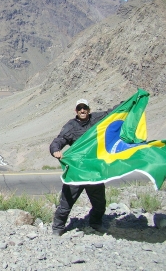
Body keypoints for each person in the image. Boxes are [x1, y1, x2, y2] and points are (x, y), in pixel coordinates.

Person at [49, 98, 116, 236]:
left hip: (93, 171)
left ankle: (95, 223)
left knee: (100, 204)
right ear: (76, 110)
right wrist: (55, 150)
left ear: (89, 109)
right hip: (77, 171)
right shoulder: (71, 126)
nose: (82, 110)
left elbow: (113, 112)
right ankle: (58, 227)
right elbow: (59, 140)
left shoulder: (96, 118)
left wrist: (130, 102)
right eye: (79, 108)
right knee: (66, 203)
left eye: (84, 108)